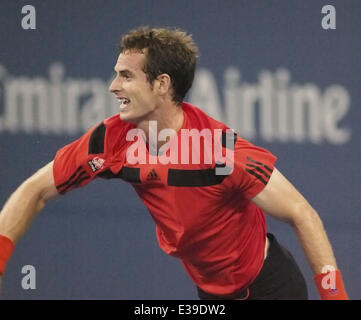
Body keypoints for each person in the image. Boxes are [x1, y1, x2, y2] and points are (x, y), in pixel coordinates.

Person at [0, 26, 348, 300]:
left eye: (126, 76)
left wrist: (335, 296)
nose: (112, 86)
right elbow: (36, 191)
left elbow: (302, 213)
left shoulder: (220, 150)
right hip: (209, 293)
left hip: (271, 288)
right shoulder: (112, 140)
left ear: (162, 84)